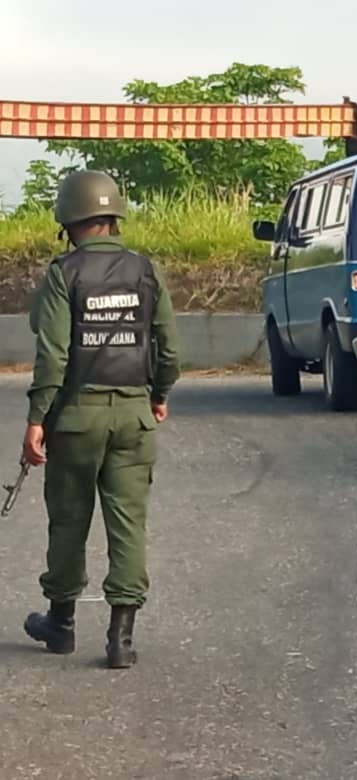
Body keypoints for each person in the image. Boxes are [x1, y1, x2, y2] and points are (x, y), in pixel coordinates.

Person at [22, 169, 181, 668]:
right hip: (135, 415)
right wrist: (159, 394)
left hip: (76, 418)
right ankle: (121, 639)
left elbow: (52, 352)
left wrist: (36, 419)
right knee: (128, 524)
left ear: (69, 219)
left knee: (69, 519)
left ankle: (61, 624)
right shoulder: (146, 270)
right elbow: (169, 348)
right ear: (114, 216)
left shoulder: (63, 273)